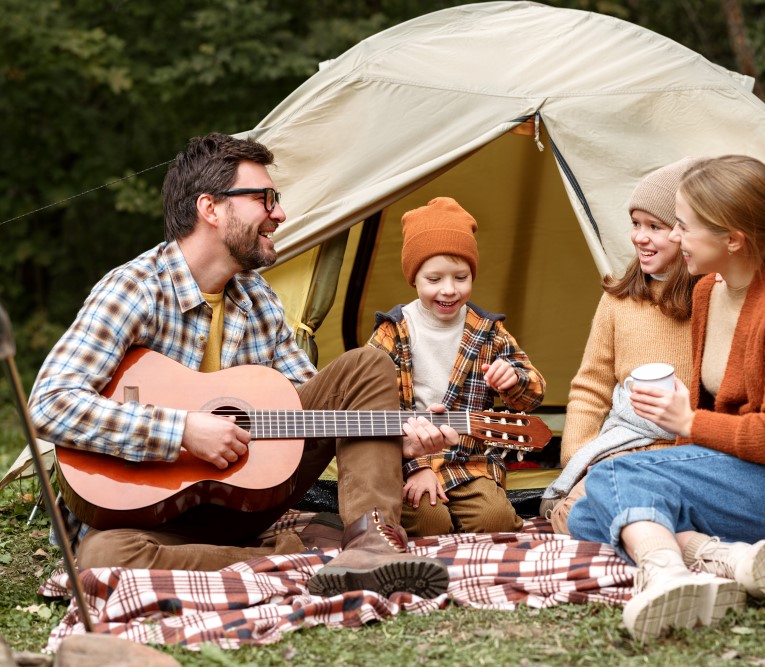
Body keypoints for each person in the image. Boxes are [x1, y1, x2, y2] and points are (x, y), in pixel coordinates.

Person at [27, 133, 459, 600]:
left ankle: (372, 548)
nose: (280, 213)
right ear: (210, 208)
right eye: (264, 199)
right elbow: (50, 404)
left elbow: (314, 411)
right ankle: (302, 559)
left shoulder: (257, 295)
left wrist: (391, 437)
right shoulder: (134, 289)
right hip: (152, 518)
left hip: (250, 499)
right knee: (103, 557)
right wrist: (182, 430)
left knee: (366, 366)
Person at [567, 155, 765, 641]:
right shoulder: (710, 290)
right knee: (588, 512)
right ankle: (729, 558)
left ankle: (667, 576)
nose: (675, 237)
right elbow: (720, 411)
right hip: (747, 472)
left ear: (732, 240)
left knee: (614, 480)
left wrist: (687, 422)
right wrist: (690, 427)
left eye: (683, 227)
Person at [367, 197, 546, 536]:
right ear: (414, 278)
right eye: (434, 279)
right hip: (406, 460)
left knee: (496, 520)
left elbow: (534, 395)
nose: (449, 290)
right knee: (429, 522)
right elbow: (371, 406)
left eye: (460, 277)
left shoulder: (488, 331)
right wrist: (418, 466)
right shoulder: (393, 332)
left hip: (468, 463)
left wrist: (513, 381)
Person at [541, 157, 700, 534]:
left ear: (685, 232)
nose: (639, 237)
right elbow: (591, 386)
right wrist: (580, 457)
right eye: (636, 224)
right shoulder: (618, 299)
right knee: (570, 515)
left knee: (625, 513)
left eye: (655, 226)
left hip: (684, 452)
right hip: (618, 448)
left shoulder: (711, 298)